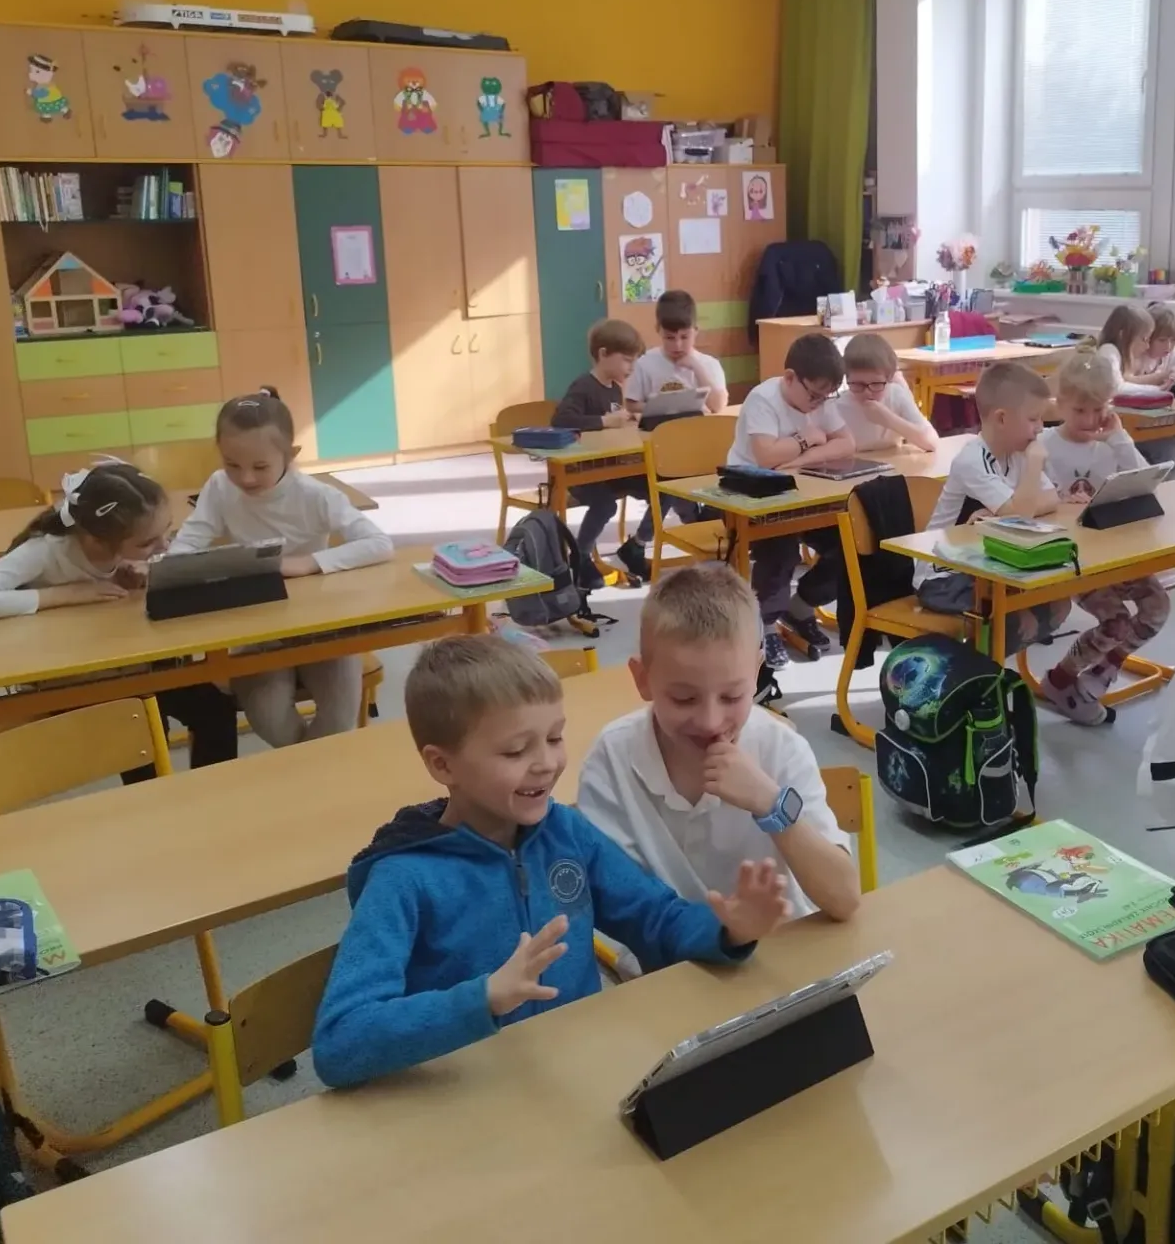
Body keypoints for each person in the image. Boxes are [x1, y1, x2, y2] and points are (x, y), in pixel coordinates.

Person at [310, 635, 790, 1088]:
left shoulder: (566, 833)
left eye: (555, 738)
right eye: (516, 750)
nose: (546, 763)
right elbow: (340, 1041)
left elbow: (655, 917)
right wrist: (484, 998)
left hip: (573, 1078)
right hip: (466, 1100)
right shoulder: (403, 878)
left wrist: (728, 930)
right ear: (442, 764)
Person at [578, 565, 860, 925]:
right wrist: (728, 935)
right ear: (643, 680)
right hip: (669, 955)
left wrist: (771, 805)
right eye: (684, 699)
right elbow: (613, 908)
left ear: (757, 672)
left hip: (783, 948)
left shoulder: (782, 748)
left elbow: (844, 899)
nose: (711, 722)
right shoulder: (612, 759)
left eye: (732, 696)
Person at [0, 460, 239, 771]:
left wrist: (134, 575)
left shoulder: (115, 544)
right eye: (147, 542)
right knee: (139, 726)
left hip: (131, 666)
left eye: (166, 532)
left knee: (215, 707)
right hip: (73, 680)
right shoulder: (46, 550)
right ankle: (150, 798)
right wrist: (65, 594)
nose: (164, 546)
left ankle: (213, 791)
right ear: (96, 540)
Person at [169, 387, 394, 748]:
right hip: (259, 626)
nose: (245, 478)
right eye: (232, 464)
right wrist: (165, 567)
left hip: (322, 624)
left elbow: (379, 544)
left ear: (290, 455)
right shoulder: (219, 487)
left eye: (260, 467)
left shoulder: (315, 495)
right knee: (270, 720)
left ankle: (306, 775)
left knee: (339, 718)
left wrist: (309, 563)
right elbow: (189, 541)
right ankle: (312, 773)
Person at [1033, 349, 1172, 725]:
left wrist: (1120, 437)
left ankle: (1100, 673)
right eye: (1079, 410)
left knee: (1158, 607)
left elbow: (1148, 480)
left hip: (1115, 552)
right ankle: (1062, 679)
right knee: (1116, 622)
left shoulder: (1112, 442)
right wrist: (1061, 504)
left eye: (1098, 409)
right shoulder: (1043, 445)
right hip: (1074, 559)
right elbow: (1032, 500)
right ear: (1060, 402)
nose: (1089, 419)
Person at [915, 360, 1071, 654]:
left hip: (989, 568)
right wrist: (1031, 473)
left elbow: (1051, 498)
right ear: (1002, 418)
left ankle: (982, 667)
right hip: (945, 577)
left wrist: (1007, 511)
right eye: (1033, 419)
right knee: (1018, 618)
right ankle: (974, 671)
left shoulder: (1017, 452)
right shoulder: (973, 460)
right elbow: (1021, 517)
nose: (1040, 428)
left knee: (1059, 604)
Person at [729, 333, 856, 669]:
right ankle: (767, 624)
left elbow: (847, 444)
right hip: (750, 495)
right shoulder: (763, 399)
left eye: (827, 397)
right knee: (781, 547)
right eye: (814, 395)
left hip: (802, 491)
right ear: (789, 378)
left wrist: (801, 458)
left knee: (852, 539)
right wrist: (806, 438)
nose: (819, 403)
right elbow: (766, 456)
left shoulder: (820, 398)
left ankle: (801, 607)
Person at [553, 318, 652, 587]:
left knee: (659, 487)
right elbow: (561, 421)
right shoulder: (583, 386)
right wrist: (605, 421)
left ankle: (637, 545)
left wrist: (628, 421)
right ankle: (581, 555)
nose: (631, 367)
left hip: (609, 468)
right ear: (603, 354)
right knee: (605, 504)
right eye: (627, 360)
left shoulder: (615, 389)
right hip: (581, 472)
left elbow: (611, 428)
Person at [1098, 304, 1175, 476]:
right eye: (1144, 339)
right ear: (1124, 335)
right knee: (1174, 452)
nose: (1146, 346)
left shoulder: (1123, 354)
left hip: (1129, 427)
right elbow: (1116, 388)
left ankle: (1166, 489)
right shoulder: (1109, 351)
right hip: (1114, 429)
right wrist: (1158, 390)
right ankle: (1160, 489)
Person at [625, 290, 728, 415]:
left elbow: (717, 406)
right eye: (670, 338)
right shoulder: (644, 363)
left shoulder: (709, 364)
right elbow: (631, 404)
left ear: (696, 330)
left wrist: (697, 368)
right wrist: (666, 408)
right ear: (658, 330)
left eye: (684, 337)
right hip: (659, 426)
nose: (677, 345)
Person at [837, 333, 938, 453]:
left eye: (876, 384)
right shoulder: (838, 407)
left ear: (889, 378)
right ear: (847, 378)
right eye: (858, 384)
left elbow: (931, 442)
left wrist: (888, 419)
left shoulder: (896, 395)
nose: (867, 392)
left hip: (892, 463)